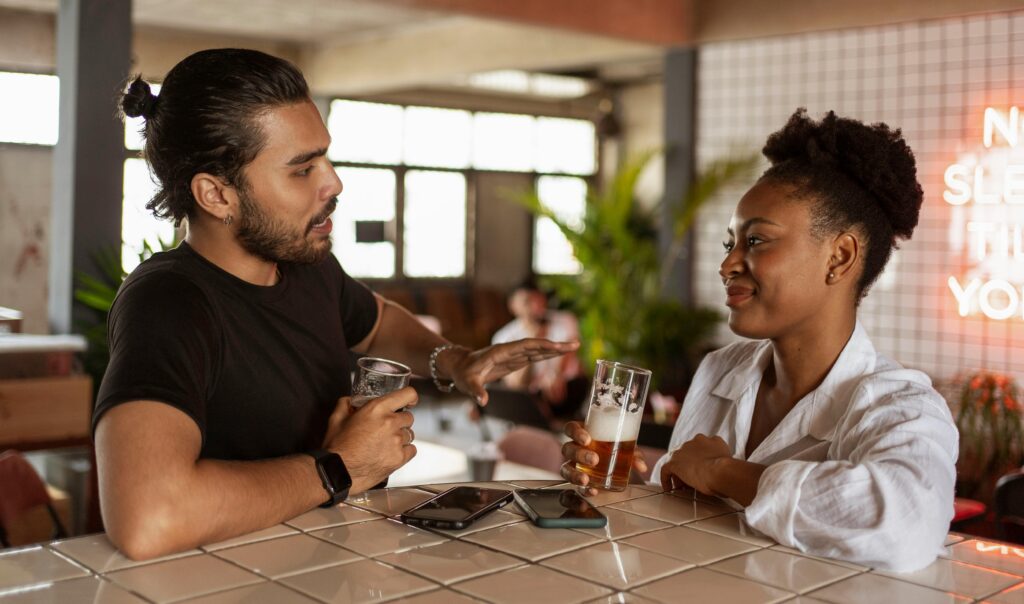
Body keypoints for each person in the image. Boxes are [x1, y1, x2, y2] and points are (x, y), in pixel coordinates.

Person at [94, 48, 578, 560]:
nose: (334, 182)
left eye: (324, 156)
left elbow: (377, 322)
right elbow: (148, 517)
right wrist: (338, 467)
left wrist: (456, 360)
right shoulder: (169, 303)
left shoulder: (307, 265)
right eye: (302, 170)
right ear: (216, 195)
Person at [559, 109, 957, 572]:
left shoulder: (901, 405)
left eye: (757, 241)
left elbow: (903, 526)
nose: (729, 264)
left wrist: (722, 472)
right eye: (731, 243)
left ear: (839, 256)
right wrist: (619, 492)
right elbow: (692, 523)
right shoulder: (720, 371)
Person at [491, 281, 586, 420]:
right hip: (530, 397)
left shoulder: (565, 320)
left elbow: (570, 352)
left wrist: (555, 374)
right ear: (512, 306)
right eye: (527, 302)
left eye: (539, 300)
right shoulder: (504, 338)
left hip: (567, 389)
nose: (536, 307)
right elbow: (516, 384)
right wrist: (532, 346)